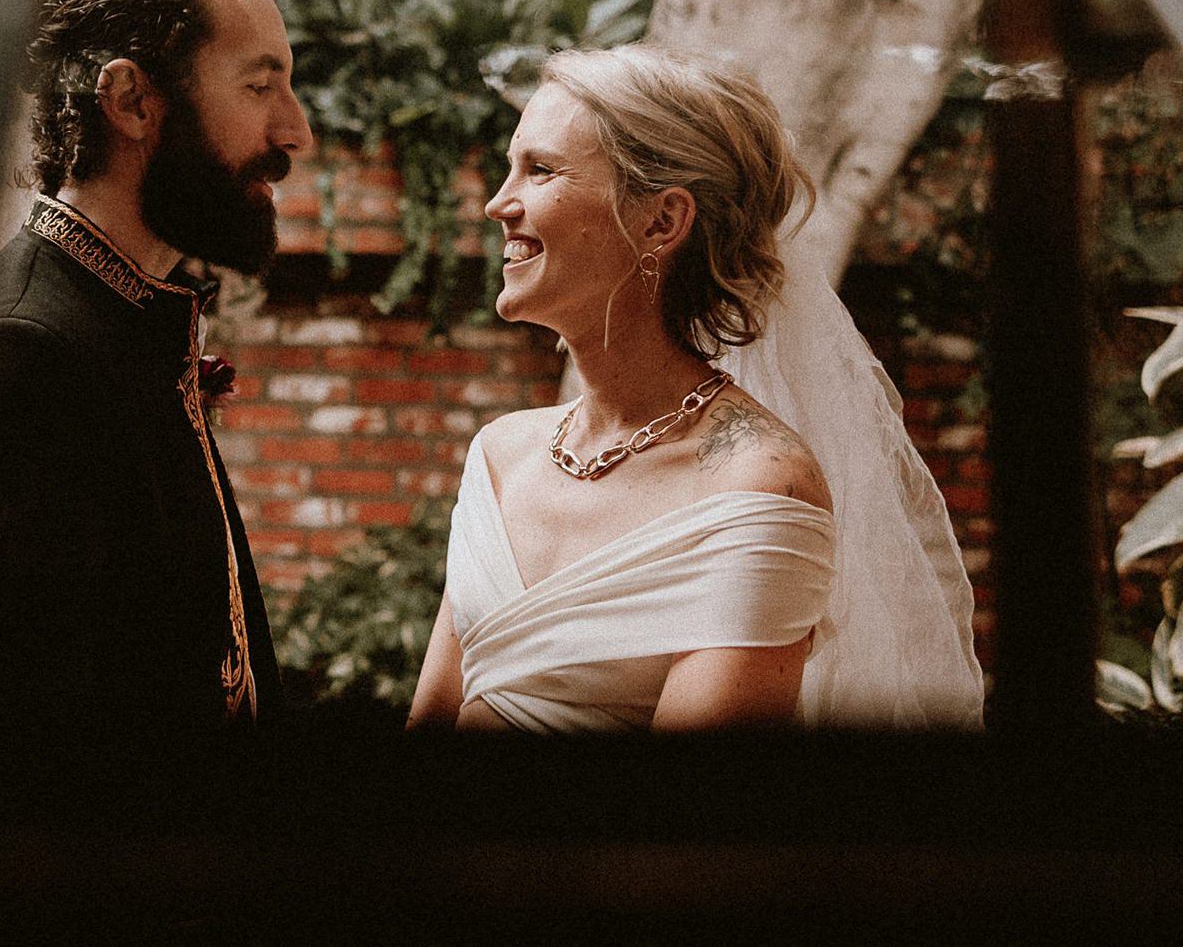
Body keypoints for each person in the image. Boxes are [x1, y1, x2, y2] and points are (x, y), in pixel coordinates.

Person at [407, 44, 984, 733]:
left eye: (540, 169)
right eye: (511, 169)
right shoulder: (500, 457)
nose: (499, 203)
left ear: (661, 220)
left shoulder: (758, 486)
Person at [0, 0, 312, 724]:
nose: (295, 132)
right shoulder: (20, 350)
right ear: (133, 101)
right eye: (260, 87)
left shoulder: (133, 316)